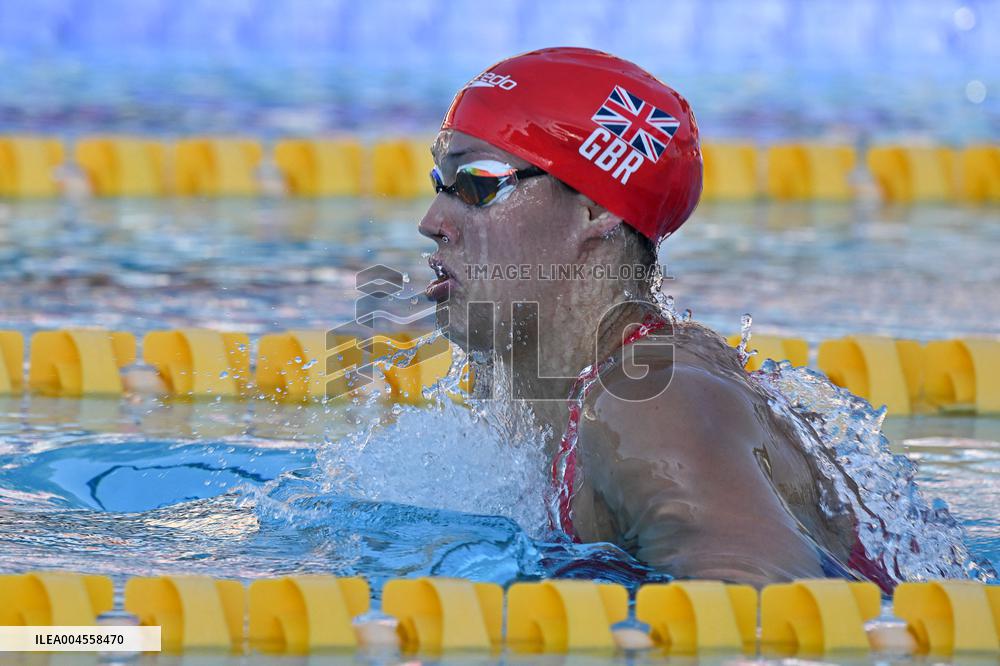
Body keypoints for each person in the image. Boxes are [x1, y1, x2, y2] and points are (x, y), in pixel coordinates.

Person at [418, 47, 861, 588]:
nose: (432, 221)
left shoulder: (652, 404)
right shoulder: (542, 393)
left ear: (595, 210)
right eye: (440, 184)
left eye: (477, 184)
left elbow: (760, 621)